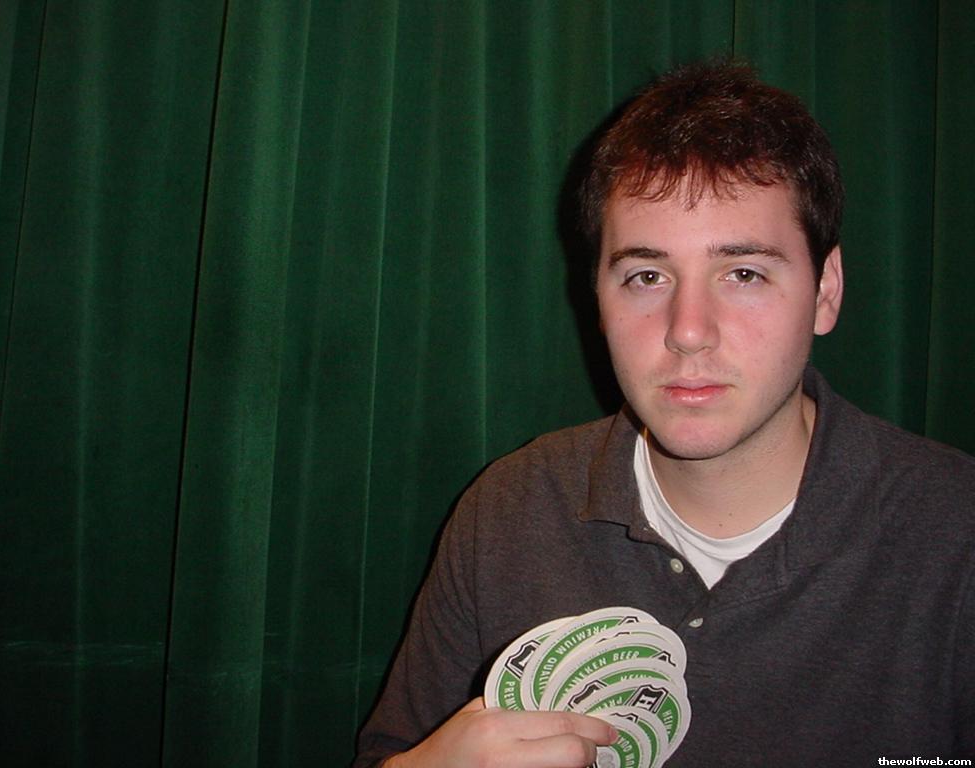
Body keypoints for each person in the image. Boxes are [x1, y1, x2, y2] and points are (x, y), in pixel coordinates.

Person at [353, 60, 975, 767]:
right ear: (597, 297)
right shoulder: (509, 507)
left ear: (825, 291)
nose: (688, 330)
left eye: (743, 273)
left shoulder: (956, 536)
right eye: (646, 276)